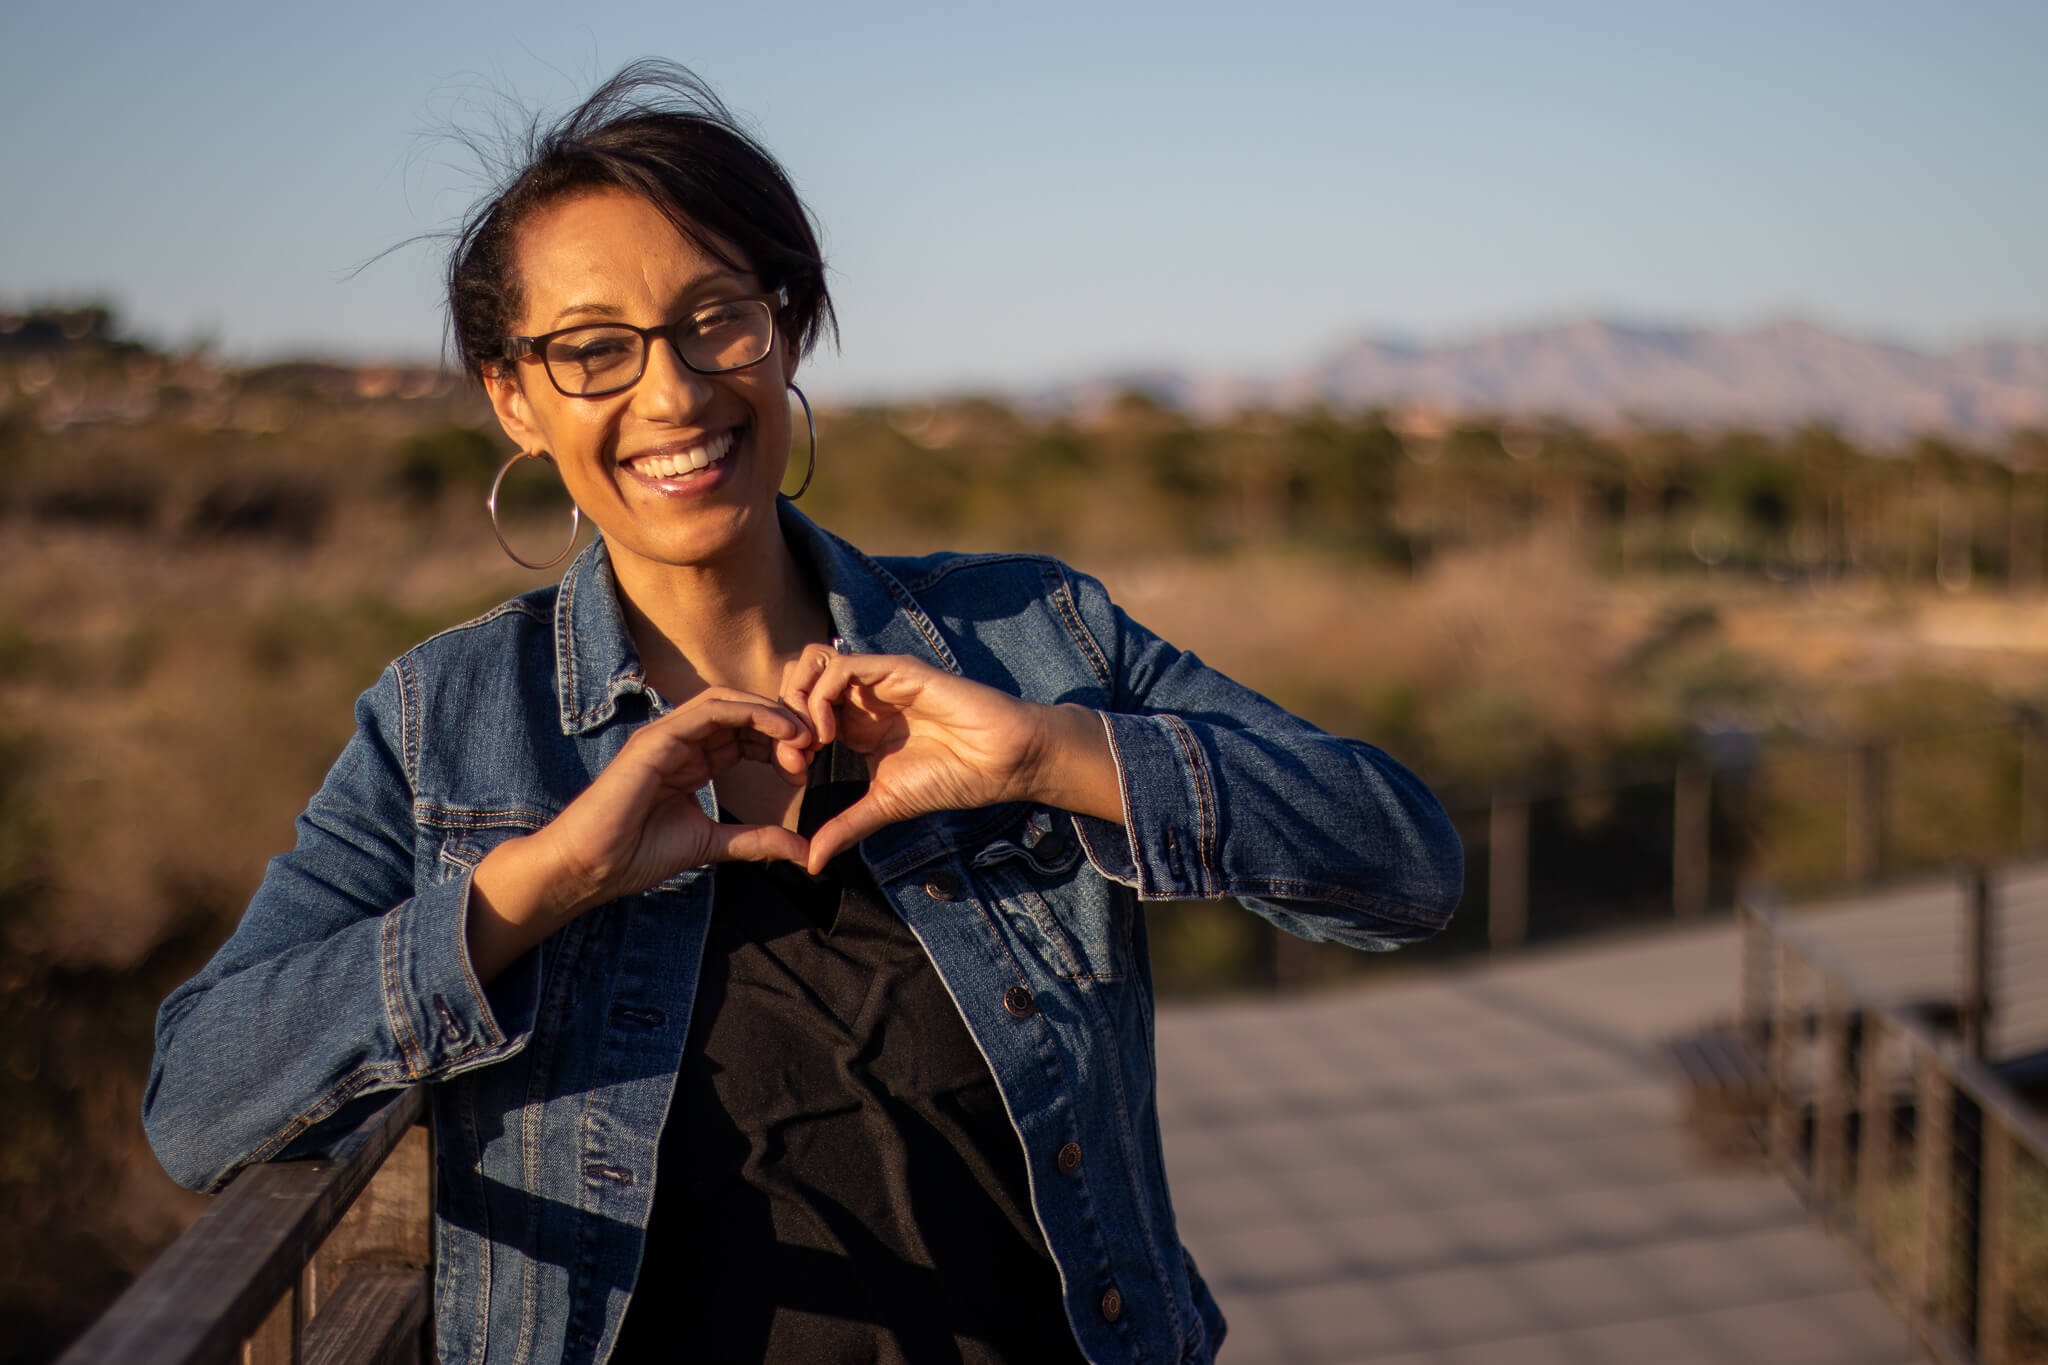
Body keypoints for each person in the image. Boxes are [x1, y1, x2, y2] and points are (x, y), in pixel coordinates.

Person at [144, 60, 1463, 1365]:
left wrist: (1051, 753)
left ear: (788, 331)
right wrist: (538, 886)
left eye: (719, 317)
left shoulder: (1028, 636)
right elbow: (198, 1101)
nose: (673, 394)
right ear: (515, 396)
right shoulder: (450, 723)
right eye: (595, 350)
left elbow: (1407, 864)